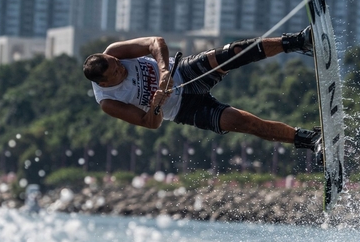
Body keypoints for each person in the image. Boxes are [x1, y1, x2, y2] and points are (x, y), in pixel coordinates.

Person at [82, 28, 321, 151]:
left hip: (183, 72)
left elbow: (156, 42)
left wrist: (164, 71)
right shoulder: (108, 102)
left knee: (232, 54)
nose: (121, 68)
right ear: (104, 83)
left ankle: (298, 42)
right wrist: (156, 104)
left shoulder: (113, 52)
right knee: (244, 123)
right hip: (185, 109)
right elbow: (150, 123)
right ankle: (310, 139)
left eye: (118, 64)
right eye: (116, 73)